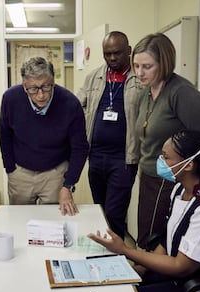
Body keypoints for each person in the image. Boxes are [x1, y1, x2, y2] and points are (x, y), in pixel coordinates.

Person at [88, 130, 200, 292]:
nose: (160, 161)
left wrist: (125, 250)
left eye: (166, 157)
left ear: (188, 165)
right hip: (165, 274)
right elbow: (166, 240)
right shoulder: (179, 190)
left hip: (184, 289)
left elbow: (181, 267)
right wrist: (140, 269)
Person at [132, 32, 200, 249]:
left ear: (164, 63)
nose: (139, 73)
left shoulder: (182, 93)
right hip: (150, 176)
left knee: (162, 240)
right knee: (146, 236)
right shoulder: (145, 93)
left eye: (147, 67)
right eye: (136, 66)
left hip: (176, 180)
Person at [0, 56, 89, 216]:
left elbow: (80, 148)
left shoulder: (70, 103)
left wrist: (68, 185)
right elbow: (4, 133)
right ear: (24, 85)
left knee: (54, 222)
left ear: (53, 81)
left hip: (55, 173)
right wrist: (10, 168)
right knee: (19, 220)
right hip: (20, 173)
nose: (40, 95)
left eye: (46, 87)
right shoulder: (11, 99)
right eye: (33, 89)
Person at [77, 31, 144, 239]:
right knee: (100, 210)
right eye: (107, 54)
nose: (112, 58)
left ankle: (116, 261)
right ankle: (102, 254)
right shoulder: (94, 77)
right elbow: (77, 106)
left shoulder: (140, 79)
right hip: (96, 156)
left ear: (129, 51)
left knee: (115, 213)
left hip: (123, 159)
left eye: (117, 53)